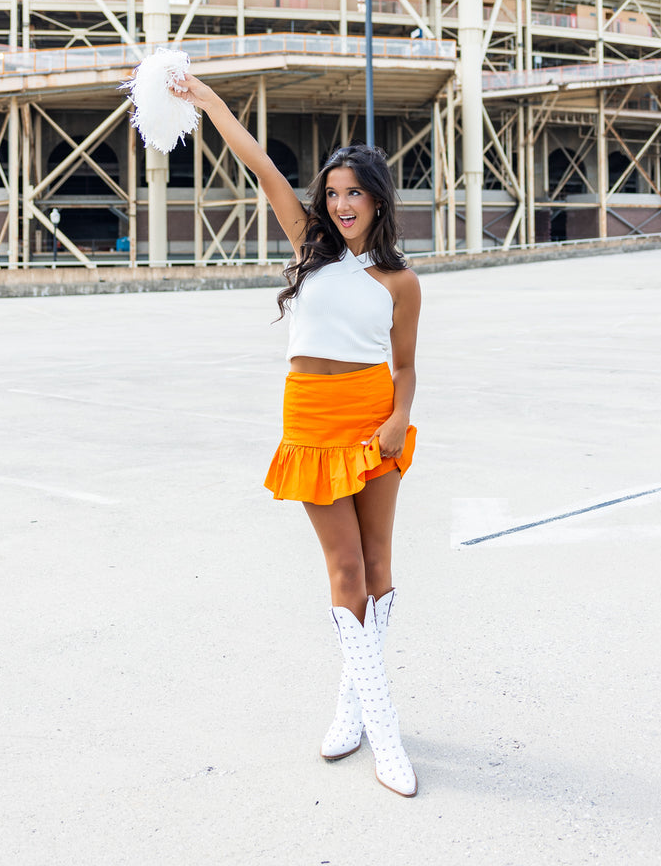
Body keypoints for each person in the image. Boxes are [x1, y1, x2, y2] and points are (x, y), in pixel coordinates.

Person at [168, 68, 420, 798]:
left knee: (379, 568)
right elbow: (258, 160)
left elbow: (404, 367)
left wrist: (400, 419)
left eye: (354, 193)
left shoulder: (401, 283)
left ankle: (353, 703)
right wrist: (210, 101)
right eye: (333, 193)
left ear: (377, 201)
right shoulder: (308, 242)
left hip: (377, 421)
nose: (341, 204)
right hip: (311, 418)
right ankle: (385, 730)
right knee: (344, 571)